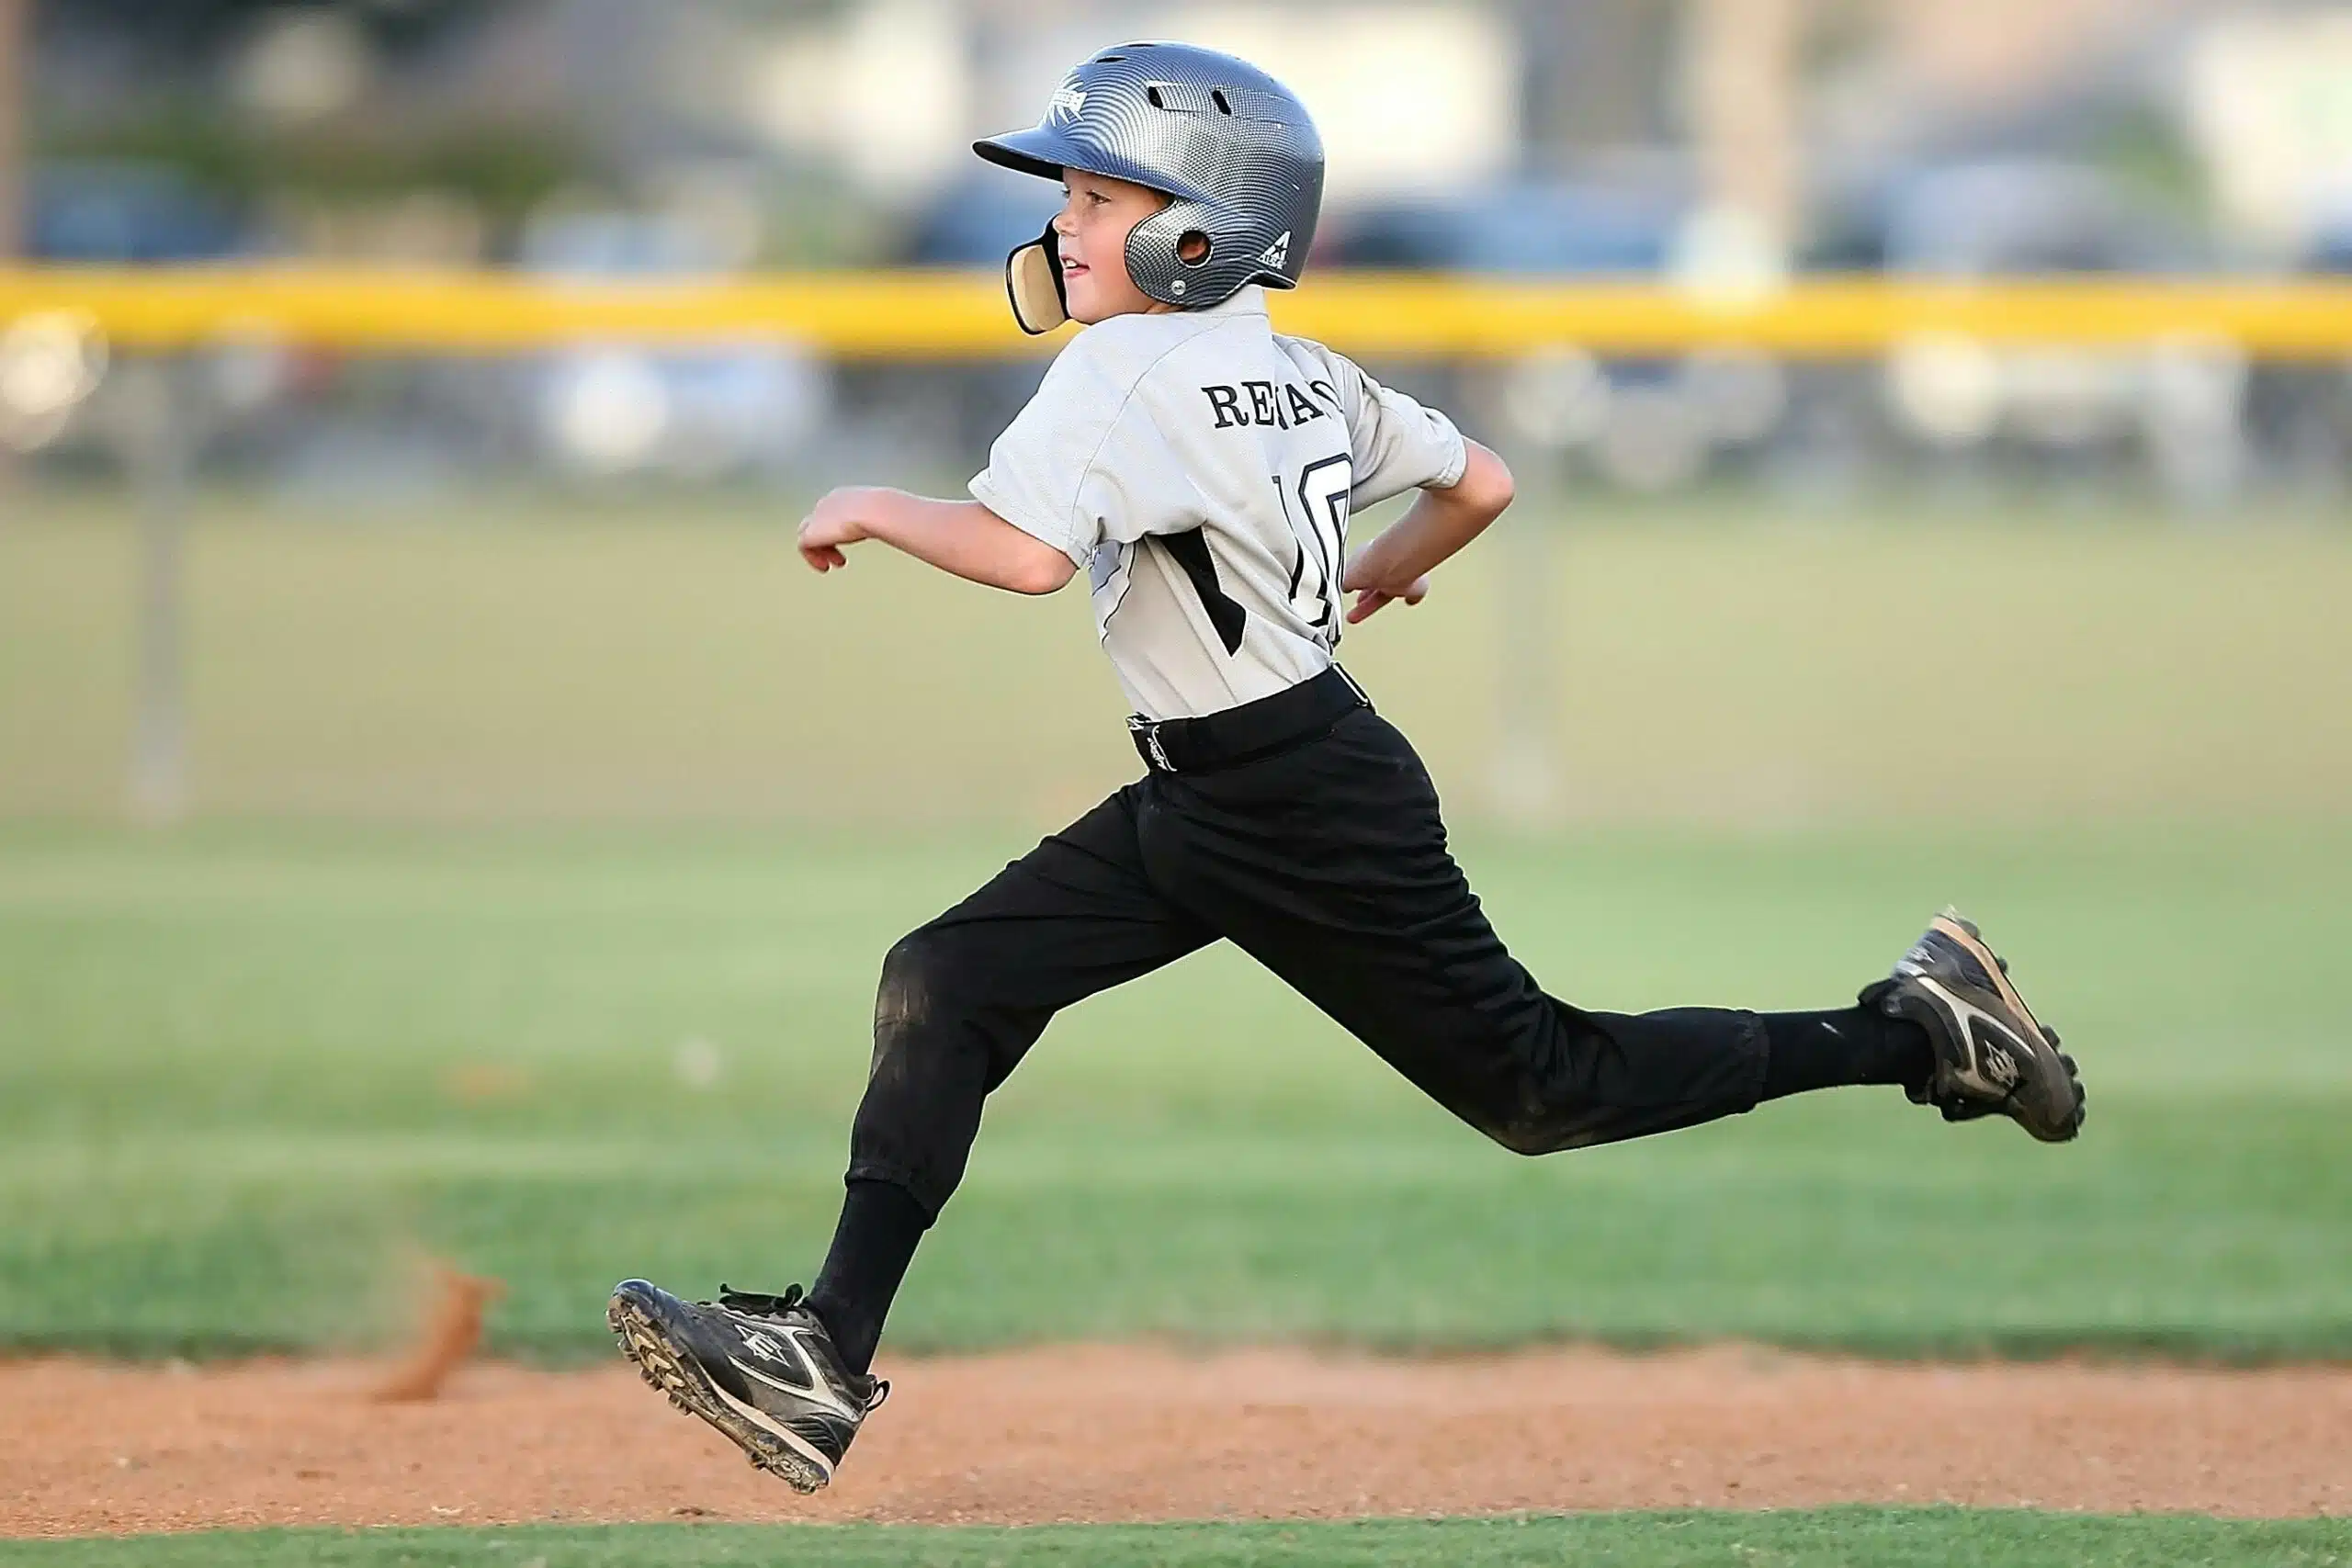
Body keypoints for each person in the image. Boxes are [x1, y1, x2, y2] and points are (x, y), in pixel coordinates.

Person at [606, 42, 2085, 1494]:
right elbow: (1482, 480)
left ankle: (1918, 1027)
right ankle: (819, 1352)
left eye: (1099, 196)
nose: (1064, 218)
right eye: (1070, 191)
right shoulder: (1296, 363)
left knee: (1544, 1086)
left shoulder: (1120, 368)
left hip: (1295, 805)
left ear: (1202, 230)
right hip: (1240, 783)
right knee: (949, 976)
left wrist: (872, 499)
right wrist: (1375, 570)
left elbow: (1026, 558)